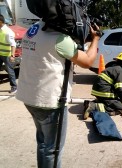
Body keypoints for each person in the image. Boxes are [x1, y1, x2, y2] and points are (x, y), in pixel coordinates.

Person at [16, 20, 101, 167]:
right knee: (52, 150)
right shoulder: (59, 38)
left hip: (29, 96)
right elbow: (87, 61)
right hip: (49, 102)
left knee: (43, 143)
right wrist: (95, 39)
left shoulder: (34, 28)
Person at [86, 52, 122, 118]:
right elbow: (120, 90)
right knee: (119, 106)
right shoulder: (120, 71)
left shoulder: (113, 68)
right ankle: (93, 106)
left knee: (117, 101)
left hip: (99, 90)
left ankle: (97, 102)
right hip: (103, 92)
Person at [0, 14, 17, 94]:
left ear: (0, 22)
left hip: (7, 55)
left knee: (10, 71)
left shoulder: (8, 32)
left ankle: (14, 87)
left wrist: (12, 56)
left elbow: (13, 44)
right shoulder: (0, 29)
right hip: (0, 53)